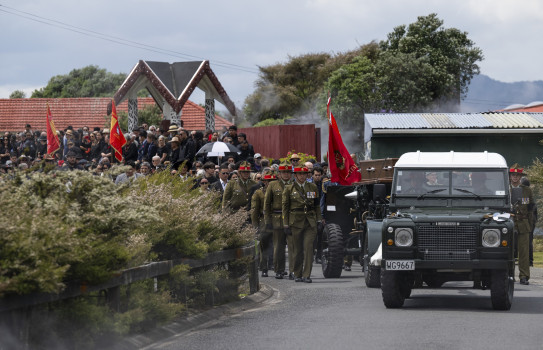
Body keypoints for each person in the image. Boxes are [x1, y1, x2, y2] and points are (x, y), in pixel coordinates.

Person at [282, 166, 323, 283]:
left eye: (304, 174)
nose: (302, 176)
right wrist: (285, 224)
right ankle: (297, 273)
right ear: (295, 175)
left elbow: (316, 206)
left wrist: (319, 220)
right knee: (297, 249)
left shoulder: (313, 187)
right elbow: (285, 208)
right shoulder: (289, 188)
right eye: (300, 174)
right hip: (295, 222)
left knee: (309, 248)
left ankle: (306, 275)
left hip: (310, 221)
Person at [264, 162, 293, 279]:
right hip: (277, 219)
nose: (286, 174)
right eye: (283, 172)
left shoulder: (295, 185)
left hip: (292, 219)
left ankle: (293, 270)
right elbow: (267, 204)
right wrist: (267, 221)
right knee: (278, 247)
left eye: (288, 172)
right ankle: (279, 270)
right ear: (279, 174)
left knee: (293, 247)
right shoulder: (273, 185)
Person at [509, 164, 534, 285]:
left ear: (520, 176)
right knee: (509, 251)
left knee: (524, 252)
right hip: (509, 223)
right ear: (509, 176)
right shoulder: (505, 188)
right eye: (513, 175)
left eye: (517, 175)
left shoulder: (527, 190)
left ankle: (524, 276)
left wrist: (530, 224)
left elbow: (530, 208)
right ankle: (509, 275)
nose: (515, 177)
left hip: (523, 223)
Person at [251, 171, 276, 277]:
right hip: (263, 222)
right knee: (264, 246)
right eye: (267, 181)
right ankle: (264, 268)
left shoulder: (278, 193)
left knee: (276, 245)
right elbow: (254, 211)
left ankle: (275, 266)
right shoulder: (259, 193)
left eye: (272, 181)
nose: (269, 183)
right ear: (264, 182)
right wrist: (255, 226)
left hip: (276, 221)